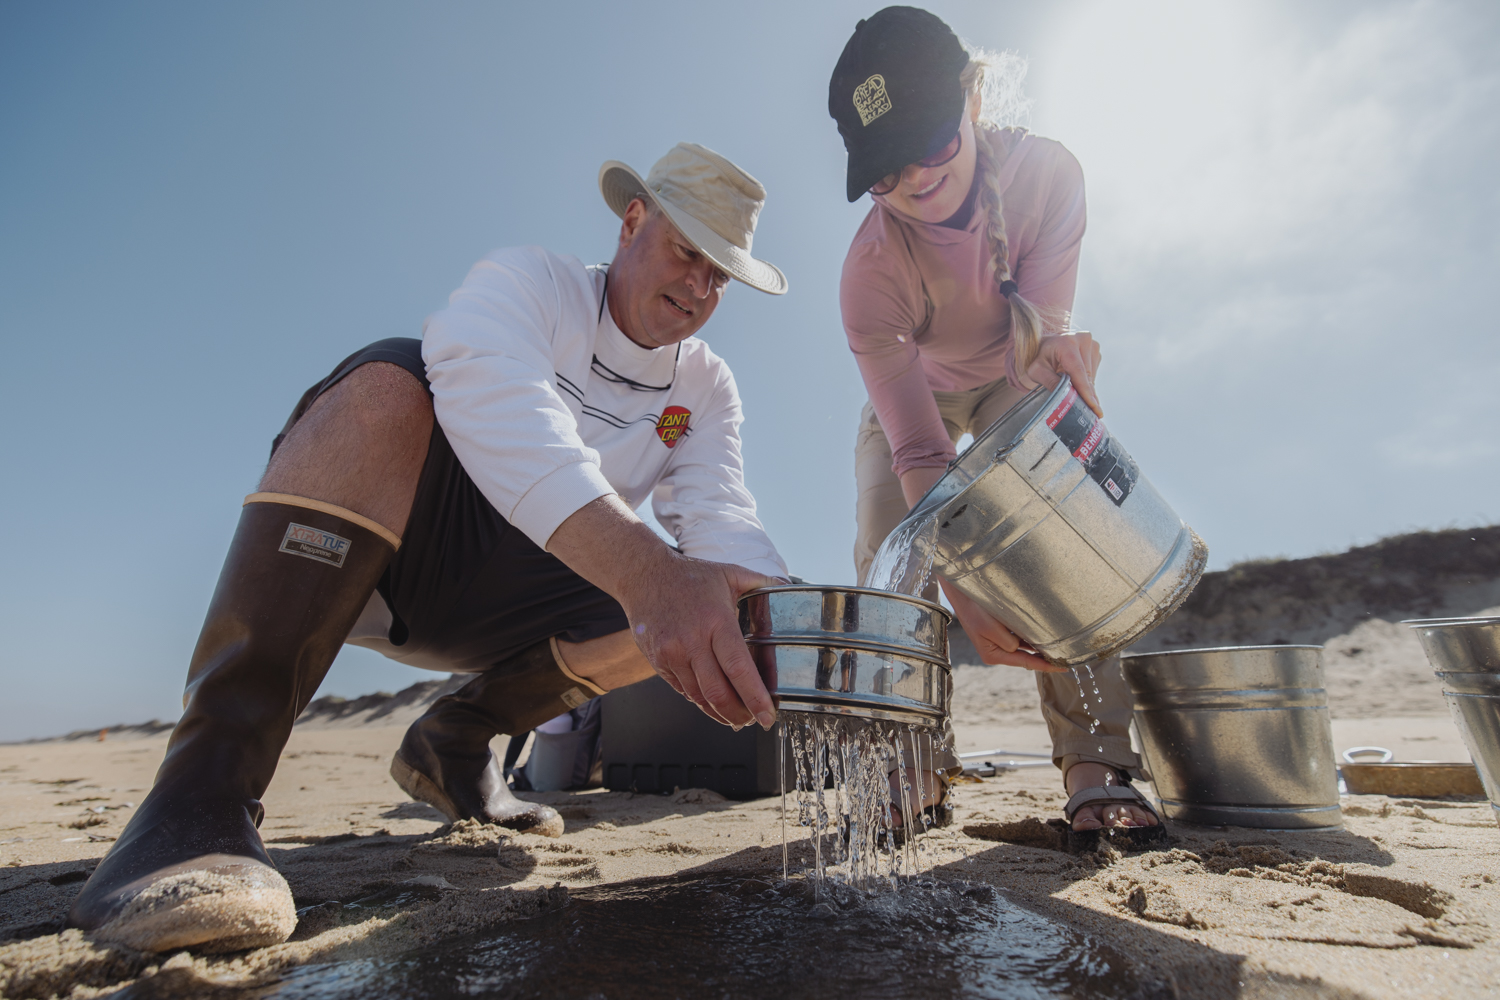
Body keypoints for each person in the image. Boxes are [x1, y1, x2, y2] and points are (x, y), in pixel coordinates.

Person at [68, 142, 792, 954]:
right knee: (388, 382)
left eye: (721, 274)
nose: (699, 286)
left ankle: (453, 740)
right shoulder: (534, 284)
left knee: (719, 600)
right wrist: (646, 570)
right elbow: (493, 396)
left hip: (522, 606)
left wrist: (787, 628)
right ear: (631, 222)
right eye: (687, 251)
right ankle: (201, 793)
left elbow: (721, 510)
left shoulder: (701, 390)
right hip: (384, 569)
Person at [829, 7, 1160, 834]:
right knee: (886, 534)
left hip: (1010, 370)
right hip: (915, 403)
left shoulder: (1049, 177)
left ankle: (1096, 758)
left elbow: (1036, 340)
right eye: (884, 167)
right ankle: (905, 765)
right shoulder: (869, 275)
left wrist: (1059, 352)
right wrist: (959, 586)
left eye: (932, 142)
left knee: (1056, 512)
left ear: (973, 97)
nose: (914, 177)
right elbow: (916, 447)